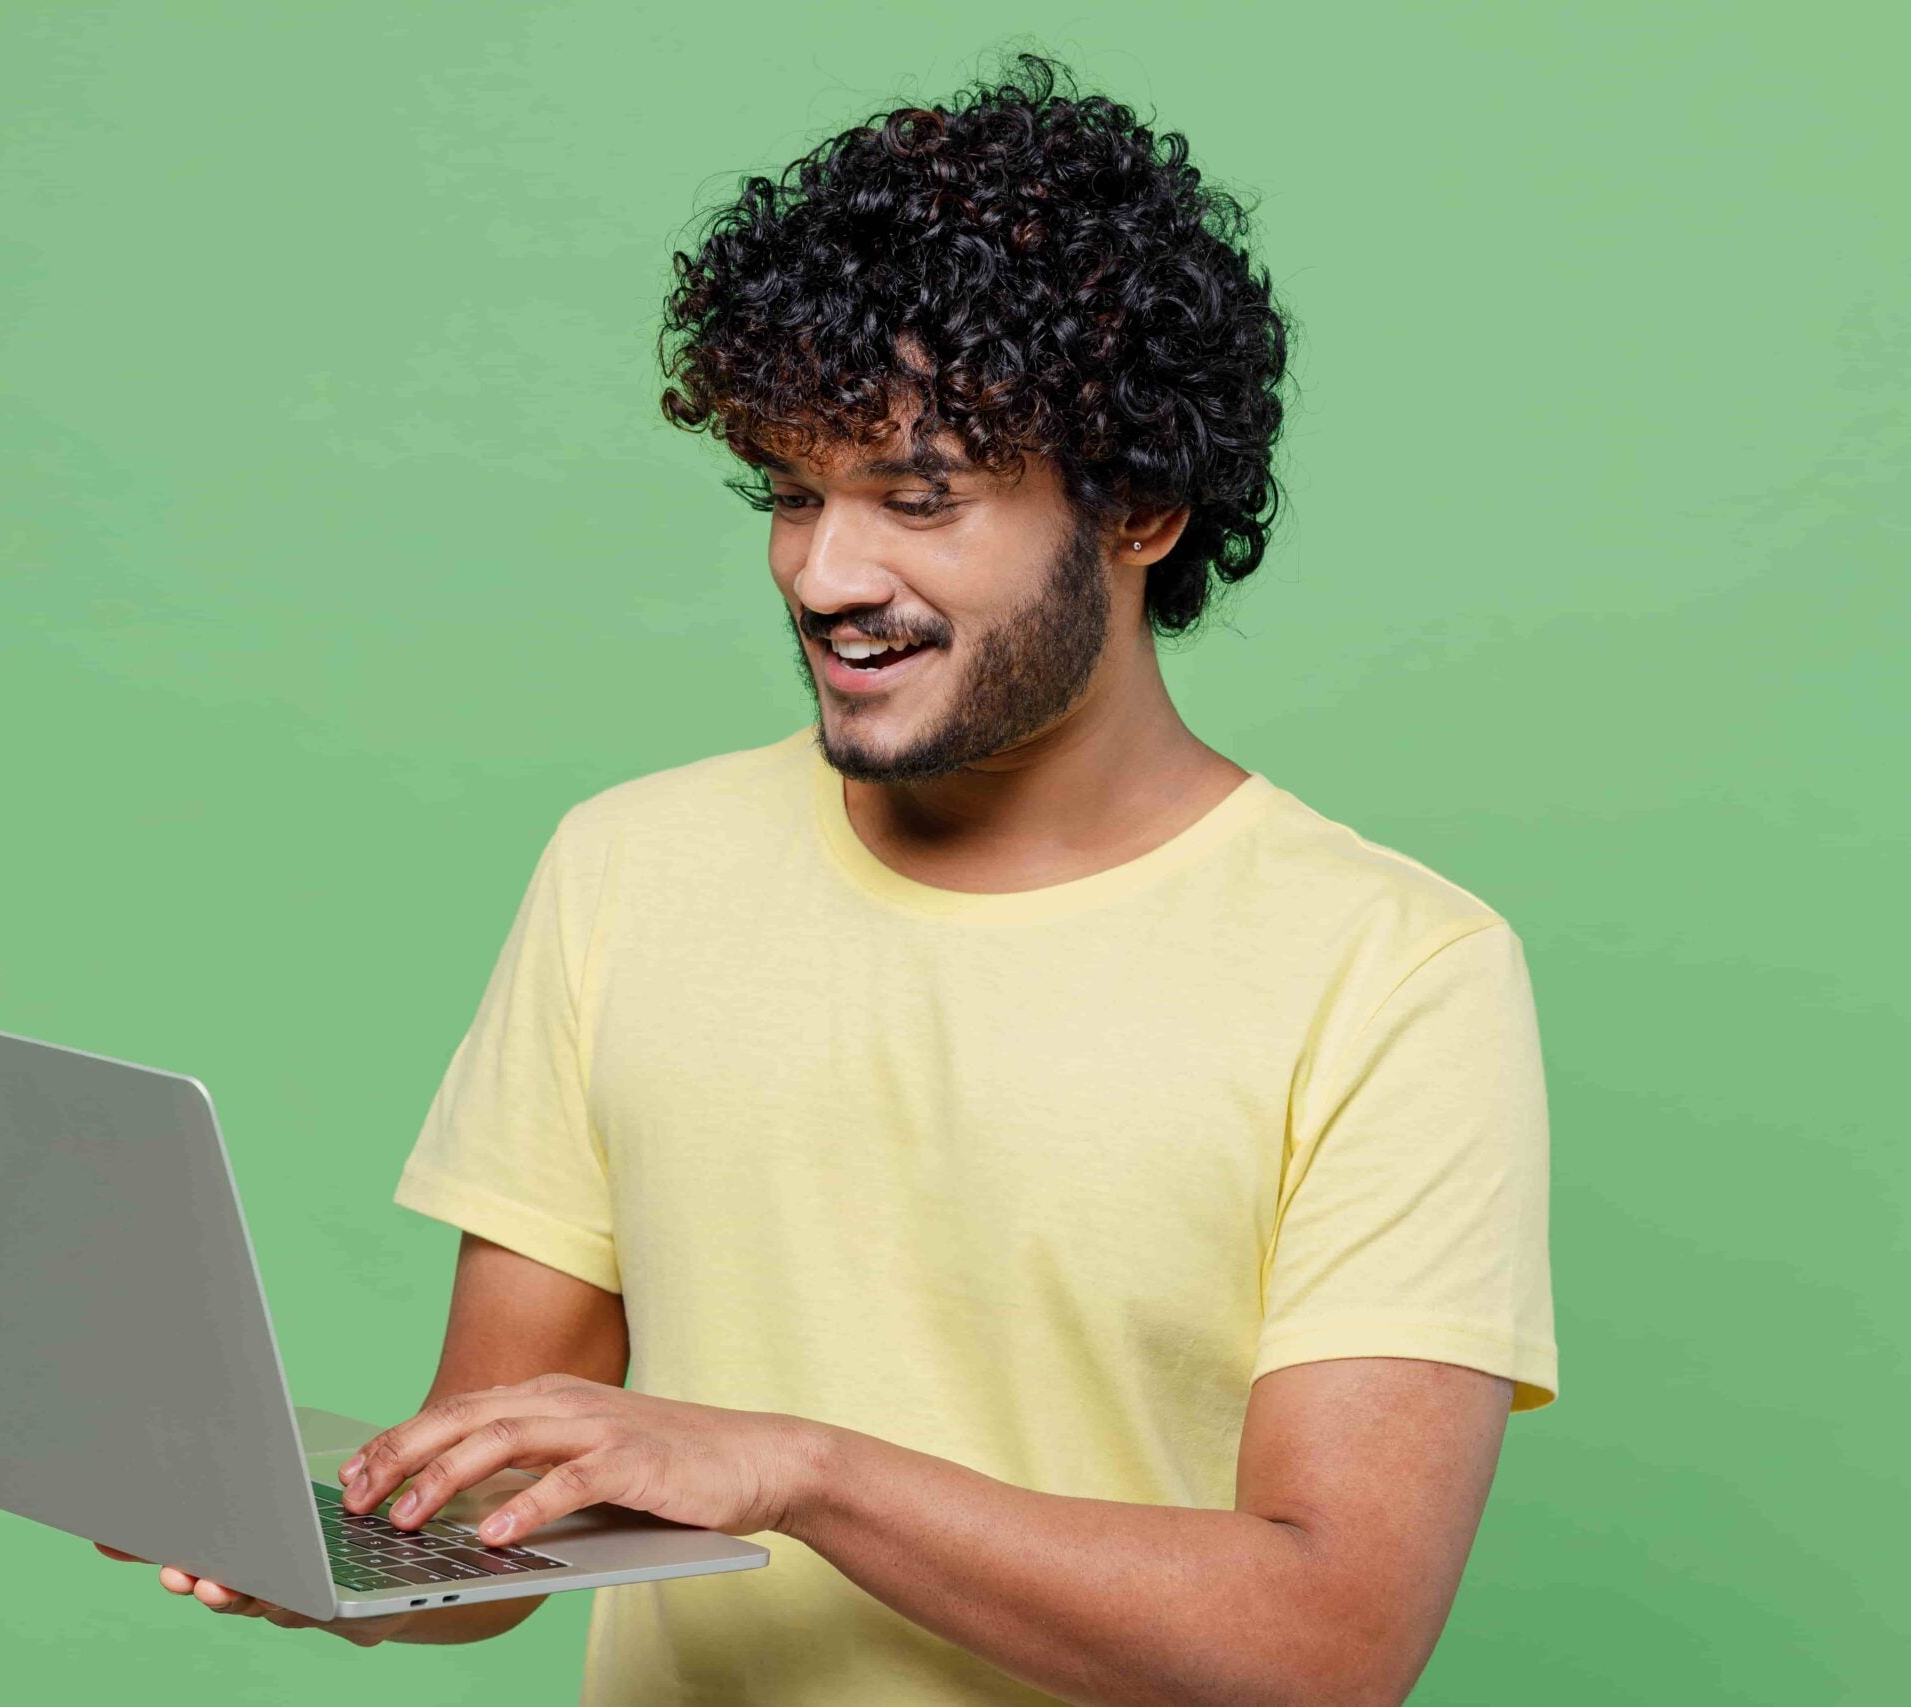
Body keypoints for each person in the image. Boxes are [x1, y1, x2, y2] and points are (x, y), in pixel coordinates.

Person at [100, 49, 1557, 1706]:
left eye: (917, 498)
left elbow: (1328, 1645)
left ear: (1141, 506)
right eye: (793, 492)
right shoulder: (629, 867)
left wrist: (803, 1469)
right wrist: (315, 1549)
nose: (824, 571)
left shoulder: (1392, 968)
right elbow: (507, 1527)